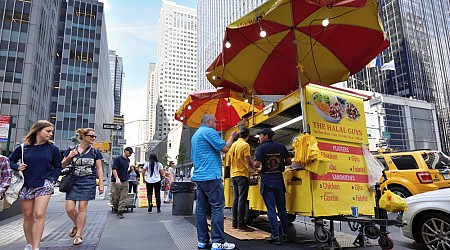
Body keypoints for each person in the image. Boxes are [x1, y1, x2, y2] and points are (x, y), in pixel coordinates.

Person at [8, 120, 62, 250]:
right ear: (38, 131)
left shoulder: (53, 149)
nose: (51, 134)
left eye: (51, 131)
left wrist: (52, 179)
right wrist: (17, 166)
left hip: (44, 184)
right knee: (27, 215)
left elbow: (57, 167)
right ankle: (29, 243)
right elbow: (10, 160)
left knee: (38, 214)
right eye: (48, 131)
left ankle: (36, 247)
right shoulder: (22, 147)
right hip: (26, 184)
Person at [191, 114, 238, 250]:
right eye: (215, 122)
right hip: (211, 176)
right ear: (209, 121)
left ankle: (203, 240)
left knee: (200, 209)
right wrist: (231, 138)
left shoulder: (195, 135)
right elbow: (225, 148)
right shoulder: (209, 131)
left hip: (199, 177)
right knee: (217, 207)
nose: (217, 124)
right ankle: (218, 241)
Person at [61, 128, 104, 245]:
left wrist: (101, 184)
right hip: (73, 181)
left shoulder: (95, 152)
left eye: (94, 136)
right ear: (83, 136)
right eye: (91, 136)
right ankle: (76, 224)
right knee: (69, 208)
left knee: (82, 207)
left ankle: (79, 234)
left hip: (88, 181)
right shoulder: (71, 149)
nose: (94, 138)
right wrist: (70, 156)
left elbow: (99, 168)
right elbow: (62, 165)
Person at [254, 128, 291, 245]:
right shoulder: (281, 146)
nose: (259, 138)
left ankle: (275, 236)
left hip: (267, 179)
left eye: (260, 136)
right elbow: (289, 162)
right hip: (279, 180)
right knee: (282, 209)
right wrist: (279, 163)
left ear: (265, 136)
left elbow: (257, 164)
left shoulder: (261, 148)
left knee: (271, 209)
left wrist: (256, 165)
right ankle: (285, 234)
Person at [228, 127, 257, 232]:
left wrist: (232, 171)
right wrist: (255, 168)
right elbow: (249, 161)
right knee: (242, 199)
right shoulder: (245, 145)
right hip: (242, 175)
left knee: (236, 198)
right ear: (247, 136)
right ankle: (241, 224)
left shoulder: (233, 145)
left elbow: (228, 162)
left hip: (233, 175)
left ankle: (234, 222)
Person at [111, 147, 133, 219]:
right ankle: (116, 208)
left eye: (131, 153)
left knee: (123, 197)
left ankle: (120, 212)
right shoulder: (118, 159)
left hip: (125, 181)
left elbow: (125, 170)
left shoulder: (128, 160)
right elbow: (114, 169)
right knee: (115, 197)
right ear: (125, 151)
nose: (130, 154)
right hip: (116, 181)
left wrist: (130, 172)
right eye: (129, 152)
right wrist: (117, 178)